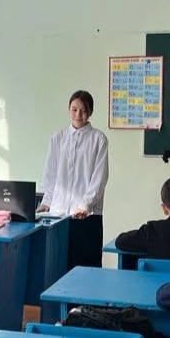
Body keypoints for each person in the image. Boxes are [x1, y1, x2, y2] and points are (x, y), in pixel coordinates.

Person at [38, 90, 109, 269]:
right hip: (59, 215)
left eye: (83, 110)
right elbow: (51, 174)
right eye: (74, 109)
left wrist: (85, 205)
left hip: (87, 217)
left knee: (86, 267)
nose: (78, 114)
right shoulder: (57, 138)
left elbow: (99, 177)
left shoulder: (98, 139)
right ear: (68, 109)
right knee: (59, 265)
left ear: (90, 112)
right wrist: (47, 201)